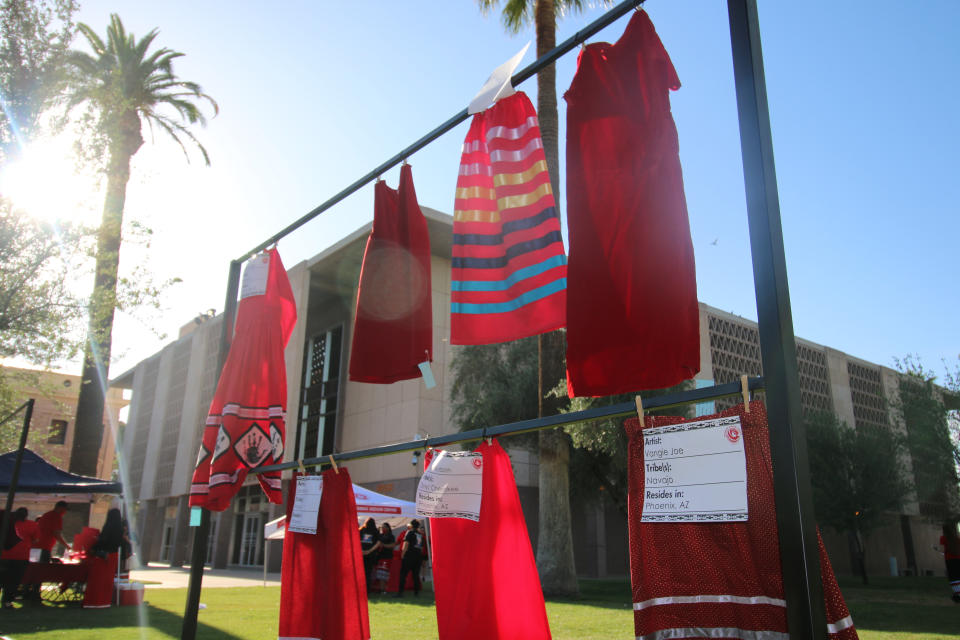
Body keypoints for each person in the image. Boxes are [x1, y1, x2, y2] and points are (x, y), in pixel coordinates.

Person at [0, 508, 34, 608]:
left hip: (5, 555)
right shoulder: (31, 525)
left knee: (6, 579)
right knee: (13, 581)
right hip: (20, 557)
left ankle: (7, 601)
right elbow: (36, 540)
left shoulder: (6, 521)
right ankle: (7, 602)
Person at [396, 519, 426, 597]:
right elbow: (421, 547)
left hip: (409, 556)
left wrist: (402, 554)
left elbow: (406, 544)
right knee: (415, 575)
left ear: (411, 525)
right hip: (418, 556)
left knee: (403, 575)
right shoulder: (420, 535)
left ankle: (400, 592)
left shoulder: (409, 532)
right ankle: (416, 592)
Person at [939, 518, 960, 603]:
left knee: (953, 577)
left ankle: (958, 594)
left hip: (950, 560)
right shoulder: (957, 538)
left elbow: (941, 549)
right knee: (958, 576)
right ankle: (957, 595)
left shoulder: (943, 538)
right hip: (958, 559)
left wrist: (938, 550)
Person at [372, 522, 395, 594]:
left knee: (384, 574)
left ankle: (384, 590)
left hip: (387, 557)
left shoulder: (391, 536)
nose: (383, 528)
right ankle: (381, 589)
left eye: (384, 527)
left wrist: (384, 545)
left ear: (388, 528)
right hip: (380, 557)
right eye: (382, 527)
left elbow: (392, 545)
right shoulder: (380, 535)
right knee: (379, 574)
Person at [358, 517, 379, 592]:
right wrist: (370, 551)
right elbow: (378, 543)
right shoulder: (376, 531)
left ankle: (360, 589)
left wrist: (361, 550)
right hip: (371, 555)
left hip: (361, 554)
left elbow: (356, 541)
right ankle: (367, 590)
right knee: (368, 573)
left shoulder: (361, 530)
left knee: (360, 572)